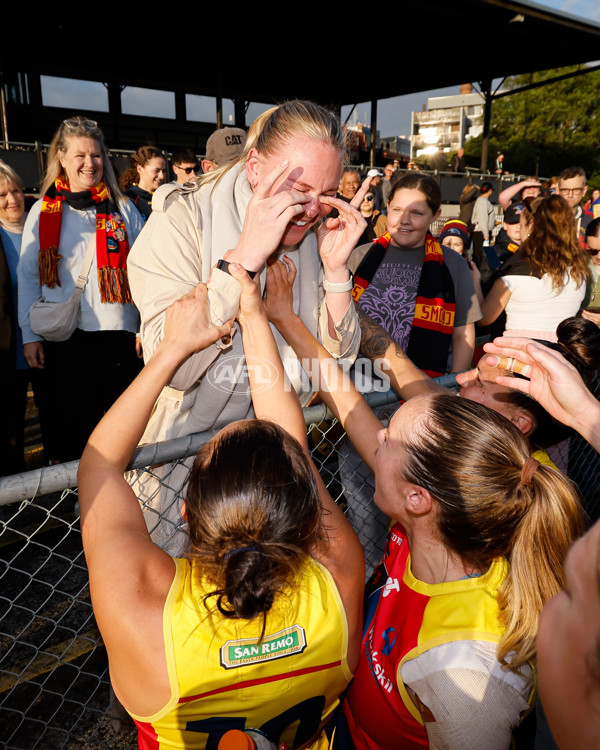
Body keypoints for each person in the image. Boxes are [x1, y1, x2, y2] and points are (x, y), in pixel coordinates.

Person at [262, 261, 585, 750]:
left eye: (388, 438)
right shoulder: (446, 503)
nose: (377, 437)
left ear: (419, 499)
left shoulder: (468, 674)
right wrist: (287, 314)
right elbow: (353, 403)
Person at [77, 266, 365, 749]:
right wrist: (255, 315)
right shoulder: (339, 575)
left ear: (185, 513)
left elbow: (99, 466)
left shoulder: (150, 611)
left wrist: (171, 349)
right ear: (304, 513)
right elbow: (291, 440)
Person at [127, 99, 364, 554]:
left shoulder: (310, 234)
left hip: (274, 471)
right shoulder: (184, 220)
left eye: (327, 192)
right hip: (181, 472)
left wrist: (336, 275)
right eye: (300, 188)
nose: (313, 207)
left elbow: (334, 367)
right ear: (255, 166)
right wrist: (243, 258)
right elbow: (170, 366)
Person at [17, 116, 145, 462]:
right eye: (80, 156)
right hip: (65, 338)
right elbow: (29, 276)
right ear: (61, 158)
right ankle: (81, 503)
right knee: (76, 429)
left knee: (126, 429)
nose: (90, 163)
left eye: (97, 155)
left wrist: (146, 325)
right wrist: (29, 336)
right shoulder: (43, 211)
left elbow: (146, 269)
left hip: (118, 334)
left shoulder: (123, 209)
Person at [471, 194, 588, 342]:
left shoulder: (514, 272)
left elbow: (484, 317)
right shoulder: (579, 270)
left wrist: (474, 280)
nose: (519, 228)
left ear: (531, 227)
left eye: (521, 224)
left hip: (520, 351)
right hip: (563, 353)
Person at [0, 161, 55, 473]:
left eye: (17, 190)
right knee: (10, 422)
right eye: (3, 195)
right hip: (9, 351)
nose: (12, 199)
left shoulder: (44, 228)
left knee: (55, 414)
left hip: (48, 341)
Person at [119, 145, 167, 220]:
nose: (162, 176)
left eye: (163, 171)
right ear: (140, 169)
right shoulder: (128, 199)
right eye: (156, 171)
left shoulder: (166, 198)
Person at [558, 165, 591, 247]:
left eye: (576, 190)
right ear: (558, 191)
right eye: (565, 190)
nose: (570, 195)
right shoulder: (546, 218)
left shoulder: (591, 220)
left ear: (584, 191)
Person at [471, 181, 496, 269]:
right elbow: (483, 218)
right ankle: (478, 274)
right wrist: (486, 234)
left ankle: (478, 273)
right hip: (481, 232)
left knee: (480, 254)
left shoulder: (481, 201)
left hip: (481, 230)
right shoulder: (483, 201)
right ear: (490, 191)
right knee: (480, 256)